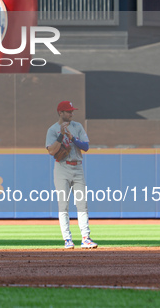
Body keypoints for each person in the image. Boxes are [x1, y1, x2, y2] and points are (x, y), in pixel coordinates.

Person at [45, 101, 97, 249]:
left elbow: (86, 146)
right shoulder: (52, 130)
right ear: (60, 113)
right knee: (63, 205)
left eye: (71, 111)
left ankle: (86, 238)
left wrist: (72, 138)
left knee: (82, 204)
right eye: (68, 111)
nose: (71, 114)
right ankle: (67, 239)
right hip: (62, 169)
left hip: (77, 168)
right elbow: (51, 151)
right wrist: (61, 136)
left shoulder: (77, 127)